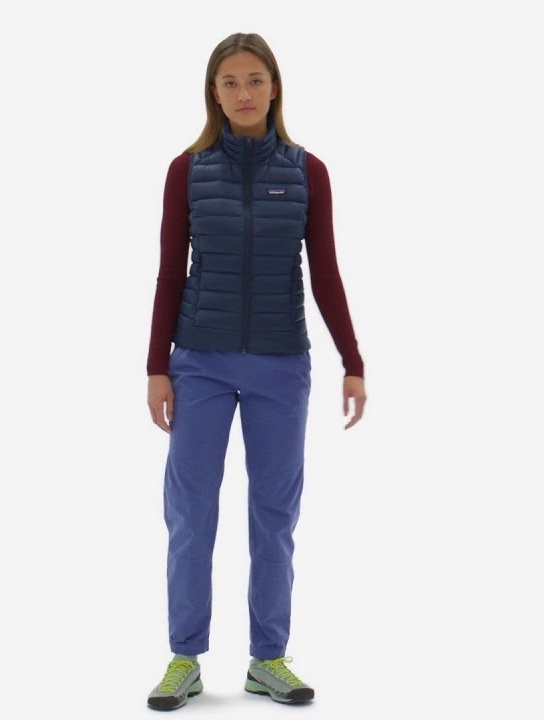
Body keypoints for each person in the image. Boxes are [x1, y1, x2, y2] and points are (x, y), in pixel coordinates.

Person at [143, 32, 367, 710]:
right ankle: (184, 658)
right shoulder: (186, 170)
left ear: (274, 88)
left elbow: (324, 272)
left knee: (274, 515)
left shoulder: (308, 171)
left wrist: (352, 361)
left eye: (255, 80)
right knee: (191, 512)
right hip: (200, 362)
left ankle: (268, 658)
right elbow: (169, 272)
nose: (243, 93)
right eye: (230, 82)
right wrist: (157, 368)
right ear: (214, 93)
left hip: (281, 363)